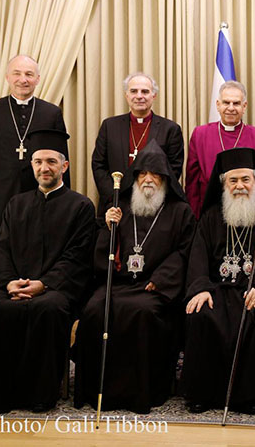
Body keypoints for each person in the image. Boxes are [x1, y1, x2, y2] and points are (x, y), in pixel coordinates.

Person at [0, 129, 95, 414]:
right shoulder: (16, 204)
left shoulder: (81, 207)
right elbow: (3, 249)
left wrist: (43, 284)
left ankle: (38, 396)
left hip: (57, 289)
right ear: (32, 166)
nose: (44, 168)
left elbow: (77, 258)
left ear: (64, 166)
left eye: (51, 162)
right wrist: (9, 283)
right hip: (13, 284)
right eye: (38, 162)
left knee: (47, 309)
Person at [74, 141, 195, 414]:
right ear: (135, 177)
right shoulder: (121, 207)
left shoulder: (180, 211)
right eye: (142, 174)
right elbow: (103, 251)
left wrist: (162, 279)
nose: (148, 179)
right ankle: (97, 389)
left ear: (165, 179)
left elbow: (185, 252)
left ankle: (142, 392)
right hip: (118, 283)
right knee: (95, 310)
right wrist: (109, 227)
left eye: (155, 175)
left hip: (154, 288)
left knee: (143, 313)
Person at [182, 148, 255, 414]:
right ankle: (202, 395)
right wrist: (201, 288)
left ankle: (250, 396)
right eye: (233, 180)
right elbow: (198, 256)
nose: (240, 186)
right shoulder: (210, 216)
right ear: (223, 184)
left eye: (246, 180)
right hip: (216, 289)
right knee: (201, 313)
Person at [0, 55, 70, 269]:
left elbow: (62, 161)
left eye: (29, 74)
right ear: (8, 77)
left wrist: (64, 204)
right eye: (17, 73)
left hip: (40, 195)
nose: (23, 79)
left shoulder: (51, 112)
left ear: (38, 79)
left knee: (38, 251)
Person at [92, 72, 184, 219]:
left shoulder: (170, 129)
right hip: (115, 205)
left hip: (153, 204)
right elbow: (98, 164)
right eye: (133, 91)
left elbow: (173, 169)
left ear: (154, 95)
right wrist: (114, 196)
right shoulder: (110, 126)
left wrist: (150, 194)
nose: (139, 96)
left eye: (145, 91)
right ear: (126, 95)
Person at [185, 81, 255, 218]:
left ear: (244, 106)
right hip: (209, 214)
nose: (231, 108)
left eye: (236, 103)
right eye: (226, 103)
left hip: (247, 214)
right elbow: (192, 184)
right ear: (218, 105)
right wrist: (194, 217)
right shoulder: (200, 134)